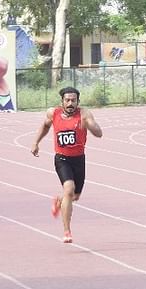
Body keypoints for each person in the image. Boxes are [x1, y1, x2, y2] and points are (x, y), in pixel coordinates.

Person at [30, 87, 103, 243]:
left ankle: (59, 201)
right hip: (62, 159)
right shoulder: (53, 113)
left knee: (74, 196)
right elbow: (45, 126)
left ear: (78, 101)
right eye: (67, 100)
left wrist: (90, 126)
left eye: (73, 100)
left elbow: (99, 133)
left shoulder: (84, 114)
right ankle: (67, 231)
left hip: (79, 160)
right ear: (62, 101)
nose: (70, 103)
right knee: (69, 190)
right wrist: (36, 142)